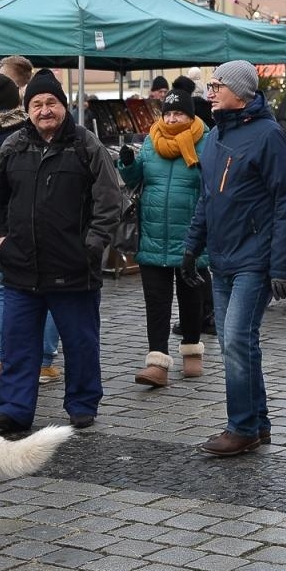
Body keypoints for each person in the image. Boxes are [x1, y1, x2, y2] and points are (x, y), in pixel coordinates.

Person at [0, 73, 123, 435]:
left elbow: (110, 199)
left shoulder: (85, 144)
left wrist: (92, 244)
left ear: (64, 106)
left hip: (73, 267)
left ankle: (82, 405)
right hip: (22, 266)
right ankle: (13, 409)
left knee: (80, 343)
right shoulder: (14, 145)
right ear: (27, 110)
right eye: (37, 104)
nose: (45, 110)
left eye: (51, 103)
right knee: (17, 344)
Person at [182, 60, 286, 456]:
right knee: (236, 343)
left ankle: (242, 427)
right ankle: (257, 422)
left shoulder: (269, 135)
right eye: (210, 86)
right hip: (222, 259)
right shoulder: (216, 135)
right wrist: (191, 247)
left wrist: (282, 266)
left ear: (242, 92)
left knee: (236, 339)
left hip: (254, 258)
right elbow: (207, 198)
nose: (210, 92)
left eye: (218, 86)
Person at [0, 74, 60, 384]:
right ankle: (43, 361)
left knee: (1, 288)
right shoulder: (29, 130)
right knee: (49, 289)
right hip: (36, 217)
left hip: (0, 226)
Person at [119, 90, 207, 387]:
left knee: (190, 298)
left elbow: (211, 186)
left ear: (190, 116)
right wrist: (128, 165)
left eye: (178, 113)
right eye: (167, 113)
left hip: (190, 237)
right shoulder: (151, 140)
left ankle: (192, 349)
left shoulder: (205, 142)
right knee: (156, 302)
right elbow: (136, 180)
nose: (170, 119)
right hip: (154, 235)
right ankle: (157, 362)